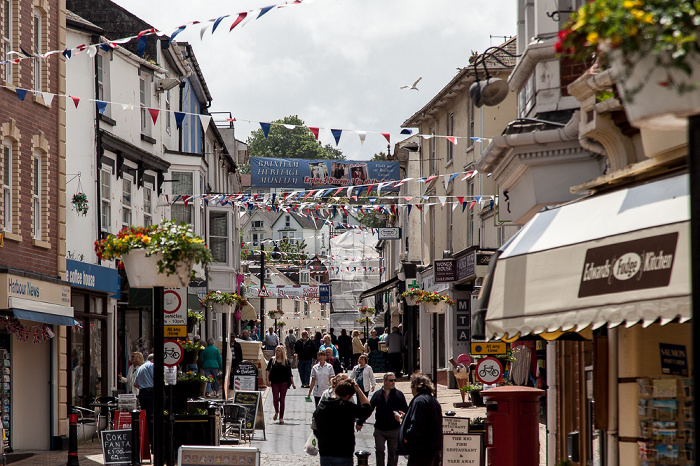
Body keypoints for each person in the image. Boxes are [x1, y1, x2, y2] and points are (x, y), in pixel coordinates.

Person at [313, 379, 372, 466]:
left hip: (325, 453)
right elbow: (367, 409)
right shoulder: (346, 407)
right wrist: (358, 389)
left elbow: (315, 429)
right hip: (343, 453)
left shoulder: (321, 407)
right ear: (348, 396)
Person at [357, 372, 408, 466]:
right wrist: (360, 422)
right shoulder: (377, 394)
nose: (393, 382)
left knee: (393, 453)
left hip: (394, 429)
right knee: (379, 450)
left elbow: (406, 411)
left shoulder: (399, 395)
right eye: (391, 380)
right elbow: (369, 409)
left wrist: (403, 418)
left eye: (394, 380)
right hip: (380, 429)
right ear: (384, 381)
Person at [398, 373, 443, 466]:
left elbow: (417, 424)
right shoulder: (433, 400)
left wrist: (407, 436)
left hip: (421, 449)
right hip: (432, 448)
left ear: (416, 386)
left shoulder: (419, 401)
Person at [266, 345, 295, 424]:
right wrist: (267, 380)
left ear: (282, 352)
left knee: (282, 400)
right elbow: (267, 370)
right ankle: (276, 411)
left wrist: (293, 383)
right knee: (275, 399)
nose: (277, 352)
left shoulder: (286, 361)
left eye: (279, 351)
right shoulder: (272, 360)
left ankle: (281, 417)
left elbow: (290, 373)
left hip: (284, 382)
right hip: (275, 381)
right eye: (276, 351)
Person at [133, 353, 154, 448]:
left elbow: (135, 384)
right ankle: (152, 440)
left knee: (145, 417)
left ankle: (146, 439)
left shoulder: (141, 367)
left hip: (142, 393)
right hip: (150, 392)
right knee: (152, 417)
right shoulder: (151, 365)